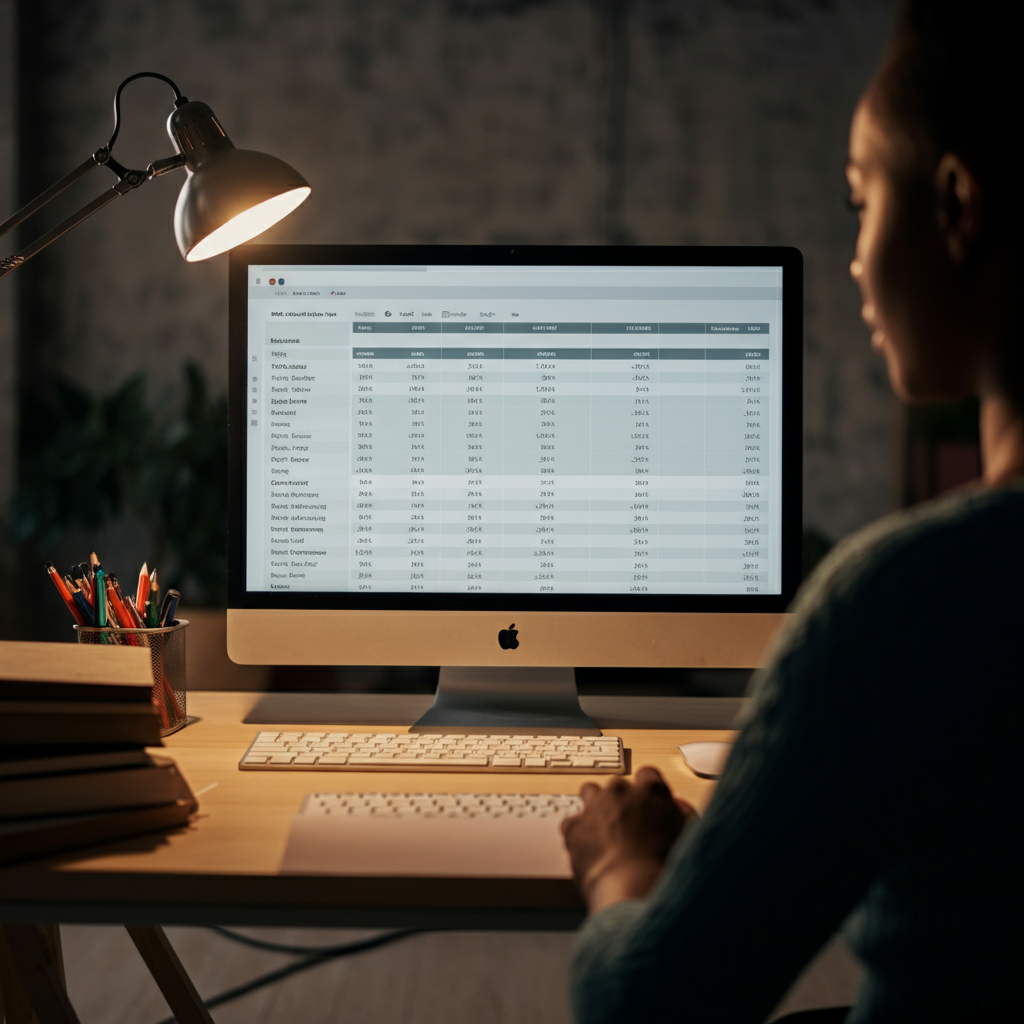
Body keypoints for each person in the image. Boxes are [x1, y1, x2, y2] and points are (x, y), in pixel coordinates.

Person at [561, 2, 1023, 1021]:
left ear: (956, 206)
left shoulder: (914, 602)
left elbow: (645, 1004)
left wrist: (619, 862)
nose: (854, 258)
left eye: (861, 200)